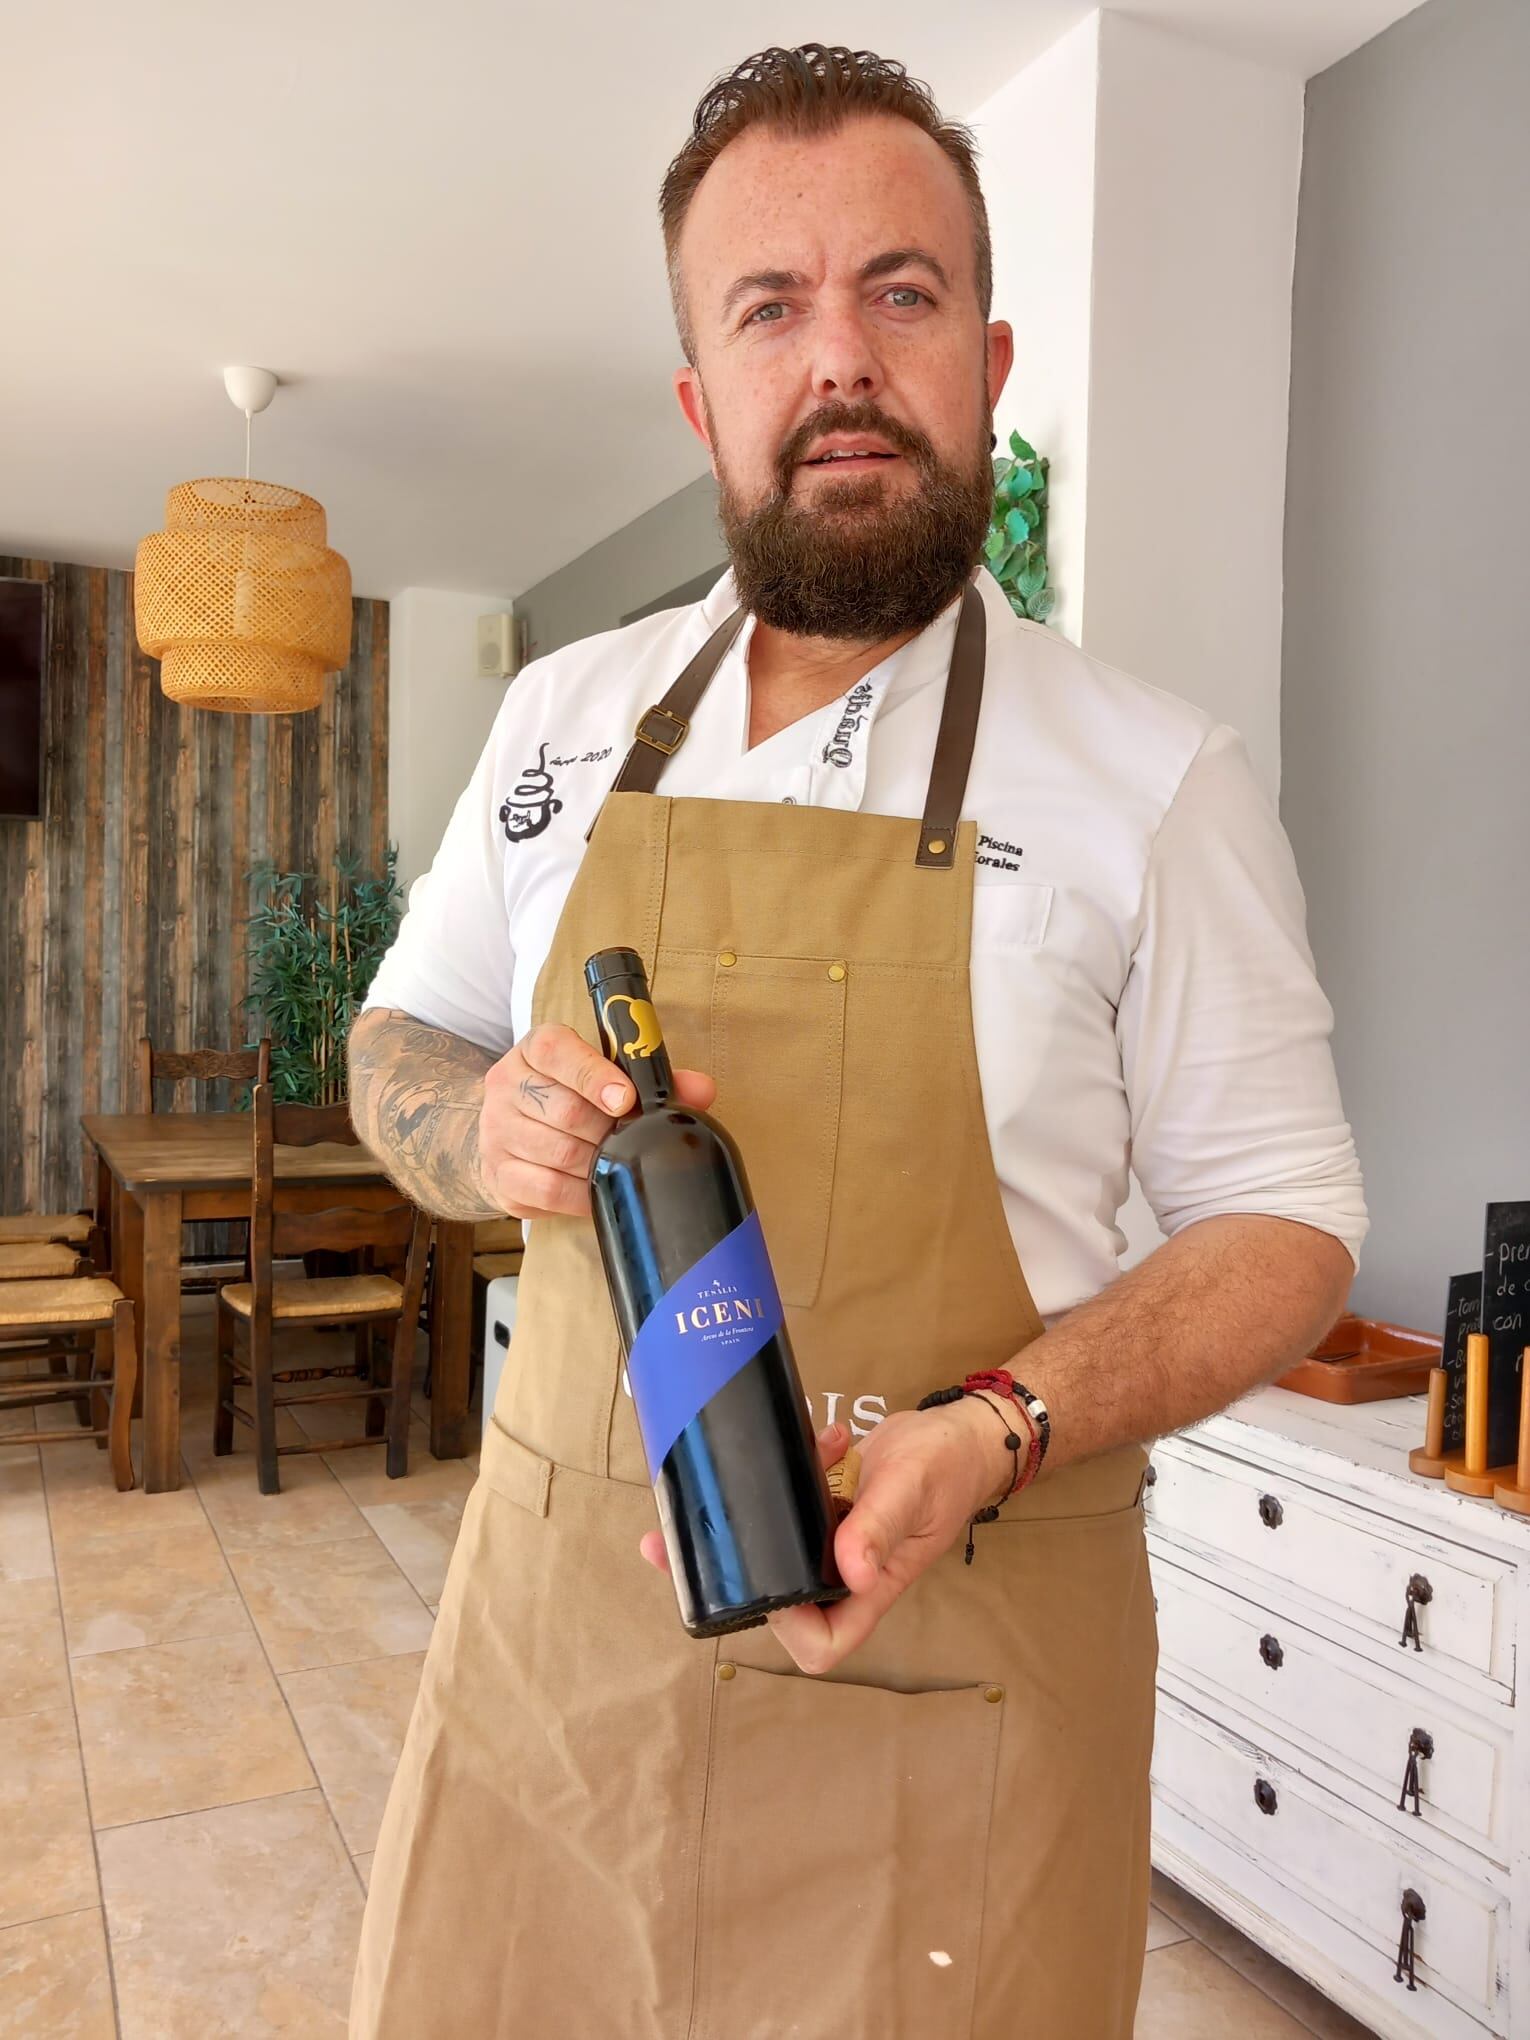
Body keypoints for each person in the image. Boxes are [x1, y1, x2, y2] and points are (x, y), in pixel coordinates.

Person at [347, 43, 1366, 2039]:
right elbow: (410, 1036)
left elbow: (1294, 1216)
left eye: (900, 294)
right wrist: (490, 1136)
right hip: (571, 1648)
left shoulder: (1153, 780)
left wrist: (999, 1419)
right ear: (700, 397)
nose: (842, 358)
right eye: (770, 308)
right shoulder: (563, 716)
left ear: (984, 360)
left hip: (966, 1674)